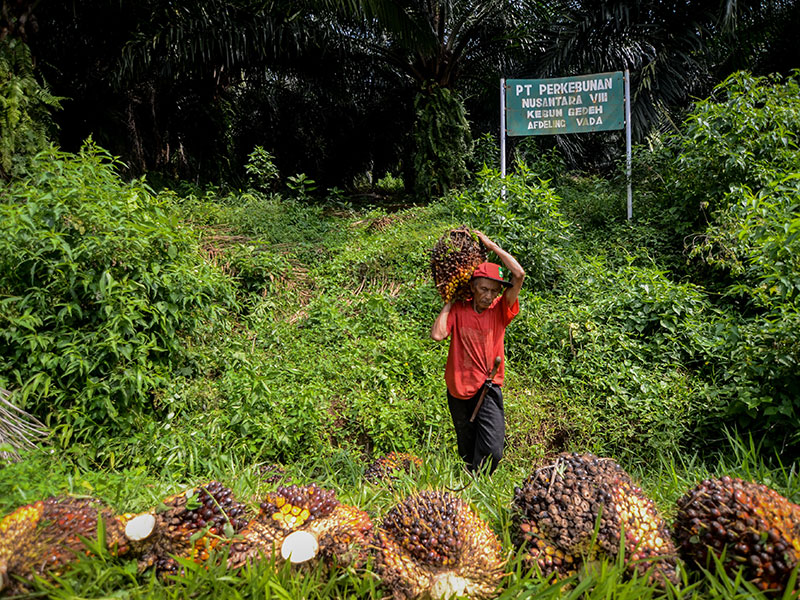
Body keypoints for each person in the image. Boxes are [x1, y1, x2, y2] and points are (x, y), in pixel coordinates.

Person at [430, 230, 525, 474]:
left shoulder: (500, 310)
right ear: (472, 287)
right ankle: (473, 487)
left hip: (488, 387)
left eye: (494, 290)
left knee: (493, 449)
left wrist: (493, 247)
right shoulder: (459, 309)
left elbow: (519, 274)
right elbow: (438, 334)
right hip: (458, 389)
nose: (489, 295)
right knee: (466, 447)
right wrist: (450, 299)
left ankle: (478, 479)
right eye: (484, 289)